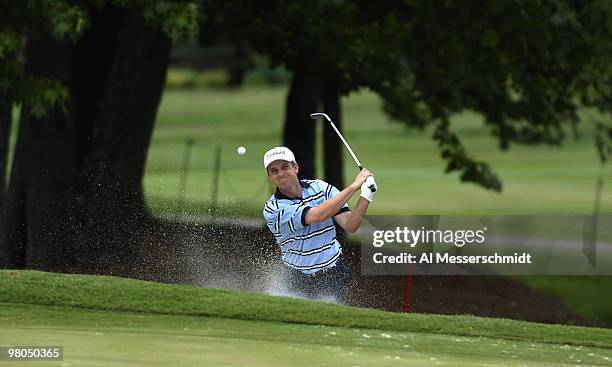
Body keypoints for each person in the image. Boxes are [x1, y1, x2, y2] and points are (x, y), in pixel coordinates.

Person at [262, 146, 377, 303]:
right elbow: (316, 215)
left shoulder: (320, 188)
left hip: (332, 272)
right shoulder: (273, 209)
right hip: (297, 277)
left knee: (333, 319)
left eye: (285, 167)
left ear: (295, 167)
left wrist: (366, 195)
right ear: (269, 177)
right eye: (274, 171)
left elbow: (350, 225)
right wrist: (353, 186)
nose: (281, 173)